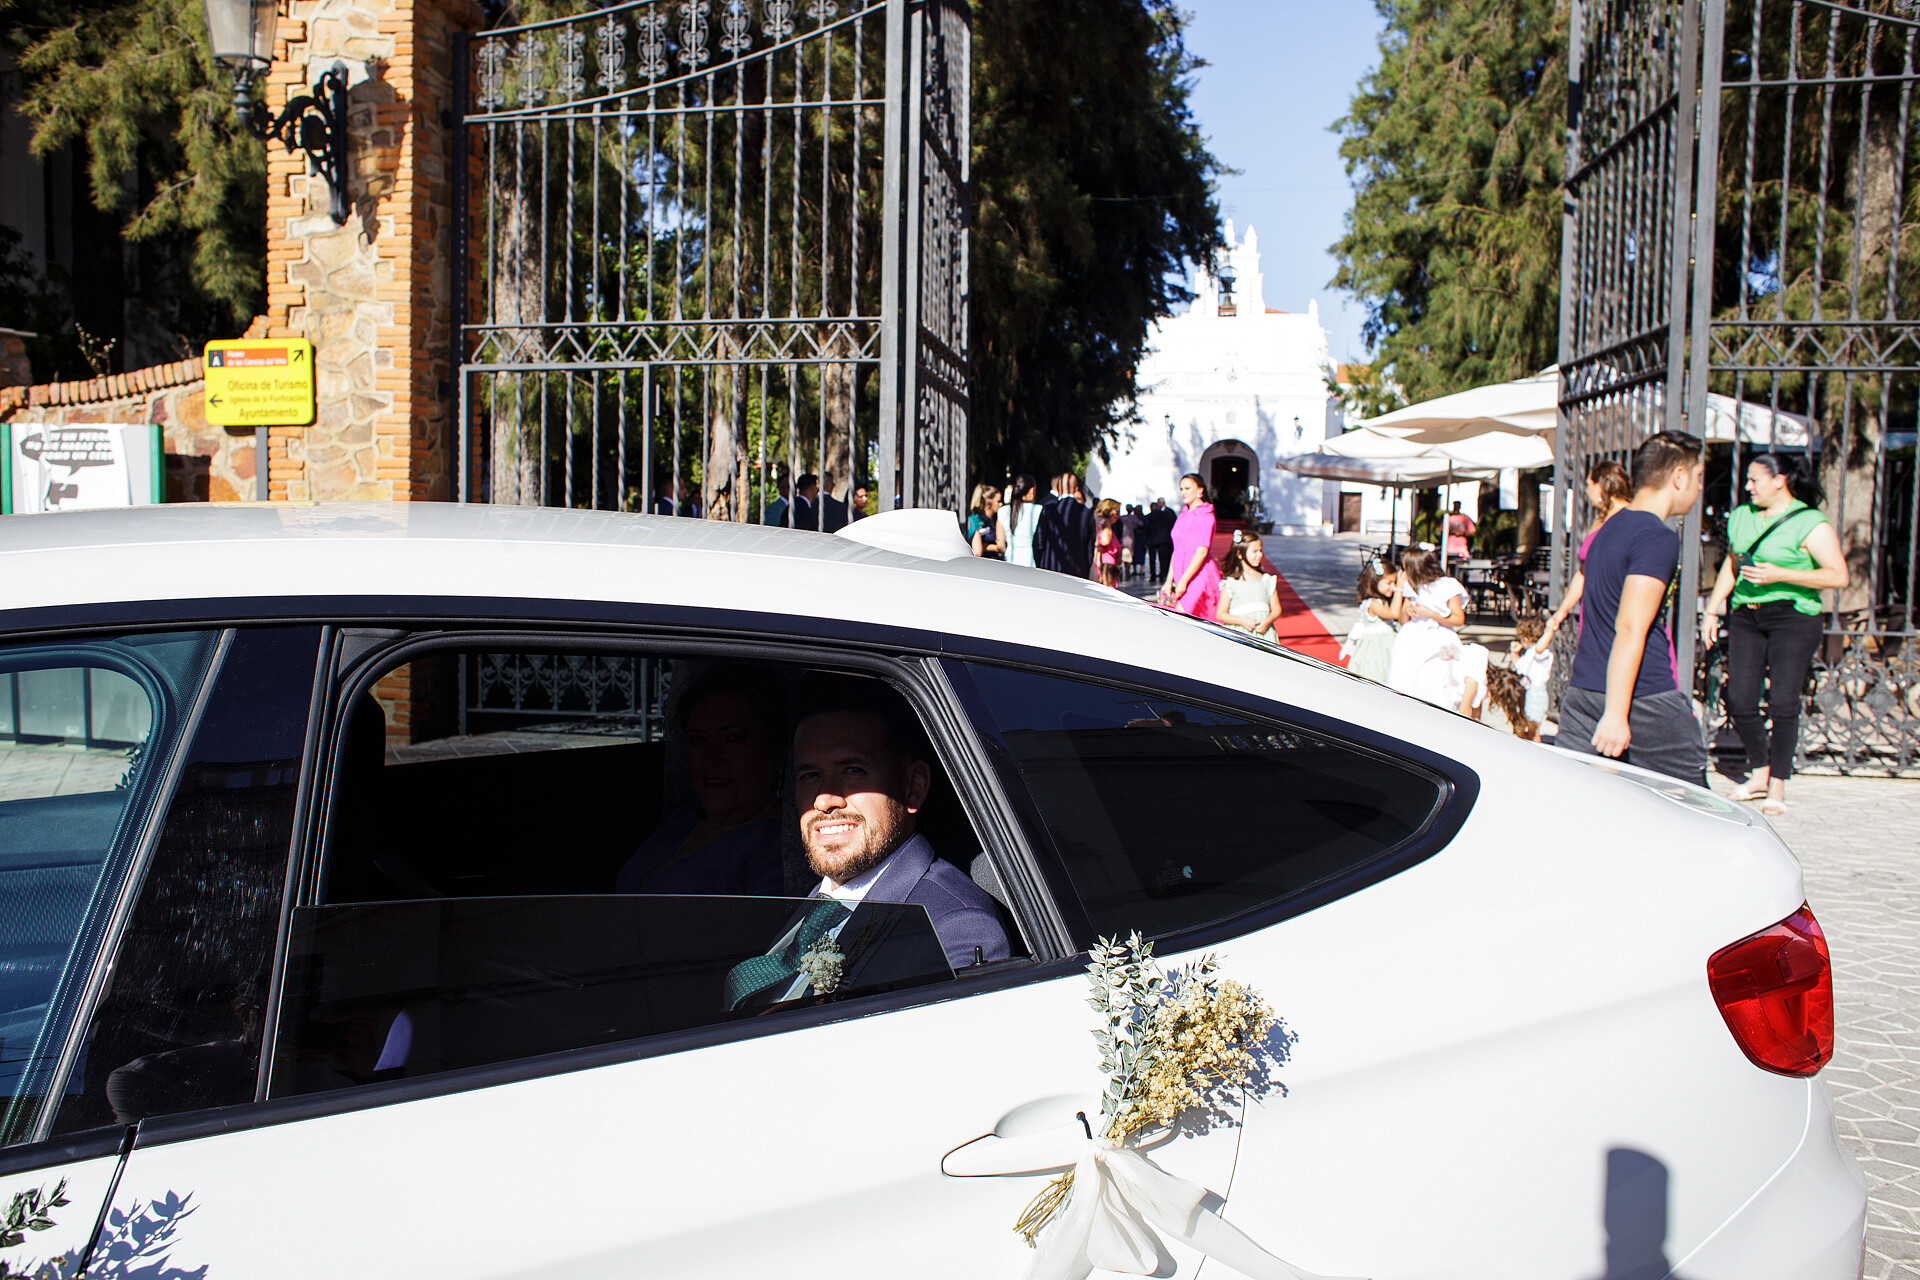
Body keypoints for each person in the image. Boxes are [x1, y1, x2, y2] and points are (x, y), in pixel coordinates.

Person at [739, 677, 1010, 1003]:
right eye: (810, 775)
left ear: (913, 786)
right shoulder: (826, 898)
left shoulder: (952, 929)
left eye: (853, 771)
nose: (824, 800)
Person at [1556, 431, 1709, 784]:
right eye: (1699, 477)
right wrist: (1616, 712)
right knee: (1694, 813)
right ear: (1679, 477)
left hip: (1583, 692)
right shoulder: (1657, 537)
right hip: (1642, 699)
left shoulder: (1605, 532)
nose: (1700, 488)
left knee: (1577, 807)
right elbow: (1629, 627)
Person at [1702, 452, 1849, 814]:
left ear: (1780, 480)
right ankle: (1761, 770)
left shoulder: (1809, 523)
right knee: (1739, 700)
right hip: (1747, 616)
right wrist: (1712, 607)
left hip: (1793, 618)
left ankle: (1777, 787)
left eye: (1755, 480)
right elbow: (1734, 564)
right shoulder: (1741, 517)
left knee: (1783, 702)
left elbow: (1837, 575)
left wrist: (1781, 575)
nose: (1748, 487)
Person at [614, 665, 786, 895]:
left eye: (732, 738)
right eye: (698, 740)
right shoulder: (686, 814)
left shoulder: (780, 851)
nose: (712, 757)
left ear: (776, 749)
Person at [1541, 459, 1633, 650]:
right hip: (1592, 612)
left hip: (1618, 611)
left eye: (1589, 485)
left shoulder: (1632, 519)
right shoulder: (1599, 521)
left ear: (1601, 486)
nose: (1586, 490)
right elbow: (1584, 572)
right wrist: (1562, 611)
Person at [1387, 545, 1488, 717]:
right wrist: (1409, 609)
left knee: (1437, 684)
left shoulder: (1447, 585)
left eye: (1406, 568)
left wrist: (1431, 614)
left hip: (1438, 638)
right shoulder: (1412, 586)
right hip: (1412, 639)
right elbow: (1403, 620)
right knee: (1408, 680)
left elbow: (1458, 618)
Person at [1159, 473, 1221, 618]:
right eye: (1181, 489)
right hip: (1181, 573)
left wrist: (1184, 581)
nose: (1183, 492)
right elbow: (1177, 550)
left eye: (1187, 488)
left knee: (1181, 617)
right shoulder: (1184, 513)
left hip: (1198, 574)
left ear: (1200, 490)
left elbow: (1201, 552)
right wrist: (1169, 581)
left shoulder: (1205, 514)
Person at [1340, 555, 1402, 682]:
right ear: (1375, 581)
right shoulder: (1373, 604)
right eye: (1389, 583)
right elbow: (1394, 614)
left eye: (1395, 582)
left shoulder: (1382, 601)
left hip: (1386, 645)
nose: (1393, 587)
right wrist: (1400, 590)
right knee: (1377, 674)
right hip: (1376, 650)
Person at [1214, 532, 1282, 639]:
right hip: (1239, 635)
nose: (1260, 555)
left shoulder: (1267, 580)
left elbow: (1277, 609)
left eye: (1260, 550)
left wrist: (1267, 620)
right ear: (1240, 554)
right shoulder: (1231, 583)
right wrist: (1241, 621)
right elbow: (1220, 613)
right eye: (1255, 551)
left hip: (1265, 635)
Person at [1035, 472, 1097, 578]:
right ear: (1076, 489)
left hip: (1051, 568)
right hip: (1078, 570)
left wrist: (1041, 564)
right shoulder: (1087, 513)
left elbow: (1039, 542)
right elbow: (1090, 548)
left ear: (1058, 489)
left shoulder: (1048, 511)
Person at [1507, 614, 1552, 742]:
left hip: (1537, 693)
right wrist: (1514, 653)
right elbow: (1520, 667)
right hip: (1528, 692)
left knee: (1533, 729)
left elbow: (1539, 649)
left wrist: (1550, 629)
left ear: (1526, 637)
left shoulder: (1542, 652)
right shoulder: (1529, 652)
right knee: (1526, 727)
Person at [1002, 474, 1041, 568]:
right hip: (1030, 560)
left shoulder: (1002, 511)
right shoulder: (1039, 510)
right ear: (1032, 491)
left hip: (1010, 558)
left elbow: (1000, 544)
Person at [967, 483, 1007, 558]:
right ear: (989, 502)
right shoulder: (978, 521)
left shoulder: (996, 520)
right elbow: (977, 546)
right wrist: (998, 548)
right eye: (998, 501)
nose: (1001, 504)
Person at [1142, 498, 1177, 581]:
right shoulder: (1165, 515)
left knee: (1152, 559)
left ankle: (1152, 575)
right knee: (1162, 559)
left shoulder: (1148, 516)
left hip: (1152, 541)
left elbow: (1145, 529)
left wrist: (1145, 541)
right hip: (1163, 540)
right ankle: (1162, 574)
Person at [1094, 498, 1123, 587]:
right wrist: (1108, 525)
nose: (1118, 515)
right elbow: (1105, 541)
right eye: (1117, 511)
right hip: (1105, 566)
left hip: (1109, 566)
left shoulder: (1104, 522)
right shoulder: (1104, 523)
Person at [1119, 504, 1145, 578]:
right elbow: (1141, 524)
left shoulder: (1123, 518)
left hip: (1123, 537)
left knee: (1124, 554)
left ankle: (1126, 569)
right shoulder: (1133, 518)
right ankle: (1128, 569)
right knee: (1130, 553)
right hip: (1131, 537)